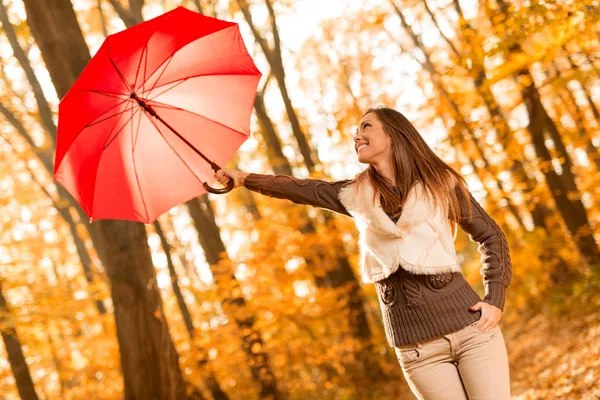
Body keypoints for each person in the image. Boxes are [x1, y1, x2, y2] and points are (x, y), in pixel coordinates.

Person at [214, 106, 512, 400]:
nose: (357, 135)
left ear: (394, 135)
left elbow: (491, 236)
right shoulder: (355, 195)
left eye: (366, 126)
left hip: (473, 332)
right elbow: (303, 189)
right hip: (418, 352)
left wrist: (494, 298)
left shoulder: (441, 185)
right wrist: (243, 178)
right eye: (357, 129)